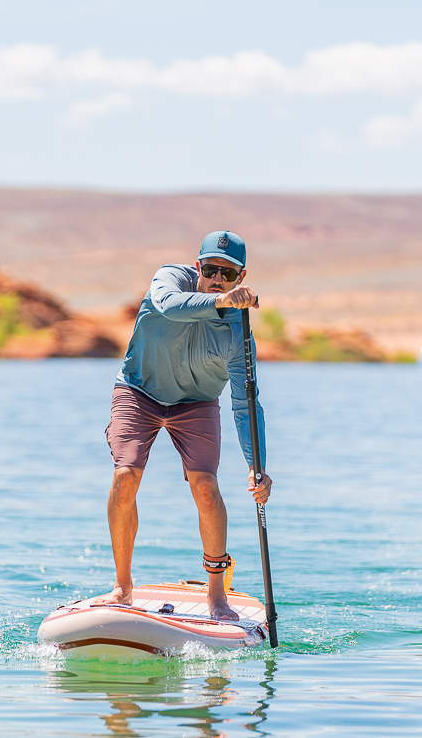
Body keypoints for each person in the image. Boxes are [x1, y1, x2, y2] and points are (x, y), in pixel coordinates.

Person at [93, 230, 273, 621]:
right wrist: (220, 300)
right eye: (210, 270)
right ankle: (122, 587)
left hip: (196, 404)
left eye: (227, 275)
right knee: (125, 476)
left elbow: (244, 403)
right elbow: (170, 307)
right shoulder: (170, 280)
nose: (216, 279)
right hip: (138, 391)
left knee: (206, 487)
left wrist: (256, 465)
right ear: (198, 267)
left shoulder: (238, 333)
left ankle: (216, 597)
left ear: (241, 278)